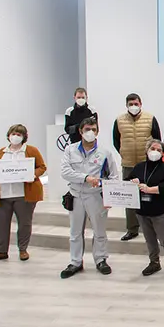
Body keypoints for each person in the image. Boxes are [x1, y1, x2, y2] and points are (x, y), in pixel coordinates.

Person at [59, 118, 119, 278]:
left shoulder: (105, 153)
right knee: (75, 232)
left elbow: (113, 176)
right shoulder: (70, 150)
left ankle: (101, 259)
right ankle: (75, 262)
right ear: (80, 131)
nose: (90, 132)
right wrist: (86, 177)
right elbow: (65, 172)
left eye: (93, 129)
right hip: (76, 195)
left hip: (96, 197)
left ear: (97, 131)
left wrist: (110, 198)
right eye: (86, 129)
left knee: (99, 231)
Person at [0, 125, 46, 263]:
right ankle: (0, 251)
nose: (16, 136)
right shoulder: (1, 153)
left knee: (24, 223)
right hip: (3, 195)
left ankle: (23, 249)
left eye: (19, 134)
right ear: (8, 135)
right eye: (13, 133)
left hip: (24, 194)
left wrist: (31, 174)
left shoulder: (31, 150)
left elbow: (42, 167)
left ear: (24, 137)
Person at [126, 139, 164, 279]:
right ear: (147, 150)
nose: (155, 152)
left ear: (163, 154)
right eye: (153, 148)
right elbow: (127, 182)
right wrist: (133, 182)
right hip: (142, 210)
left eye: (159, 150)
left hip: (159, 210)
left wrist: (149, 189)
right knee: (149, 239)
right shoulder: (139, 167)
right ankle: (154, 262)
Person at [112, 93, 162, 241]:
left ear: (140, 104)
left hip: (146, 163)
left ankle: (152, 227)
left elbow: (157, 140)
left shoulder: (150, 118)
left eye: (136, 103)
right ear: (126, 105)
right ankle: (132, 229)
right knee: (128, 197)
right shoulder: (119, 120)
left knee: (148, 195)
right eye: (130, 104)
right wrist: (123, 152)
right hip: (128, 163)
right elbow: (116, 141)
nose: (133, 106)